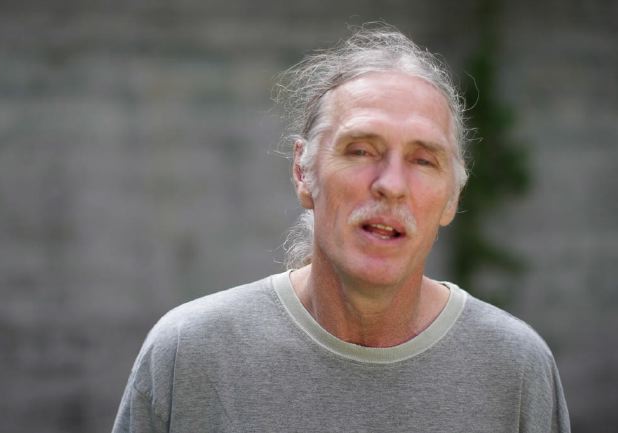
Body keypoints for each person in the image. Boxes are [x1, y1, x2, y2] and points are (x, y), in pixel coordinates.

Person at [112, 24, 570, 432]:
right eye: (361, 150)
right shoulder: (189, 353)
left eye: (422, 160)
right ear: (303, 171)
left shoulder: (516, 367)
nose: (391, 184)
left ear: (452, 196)